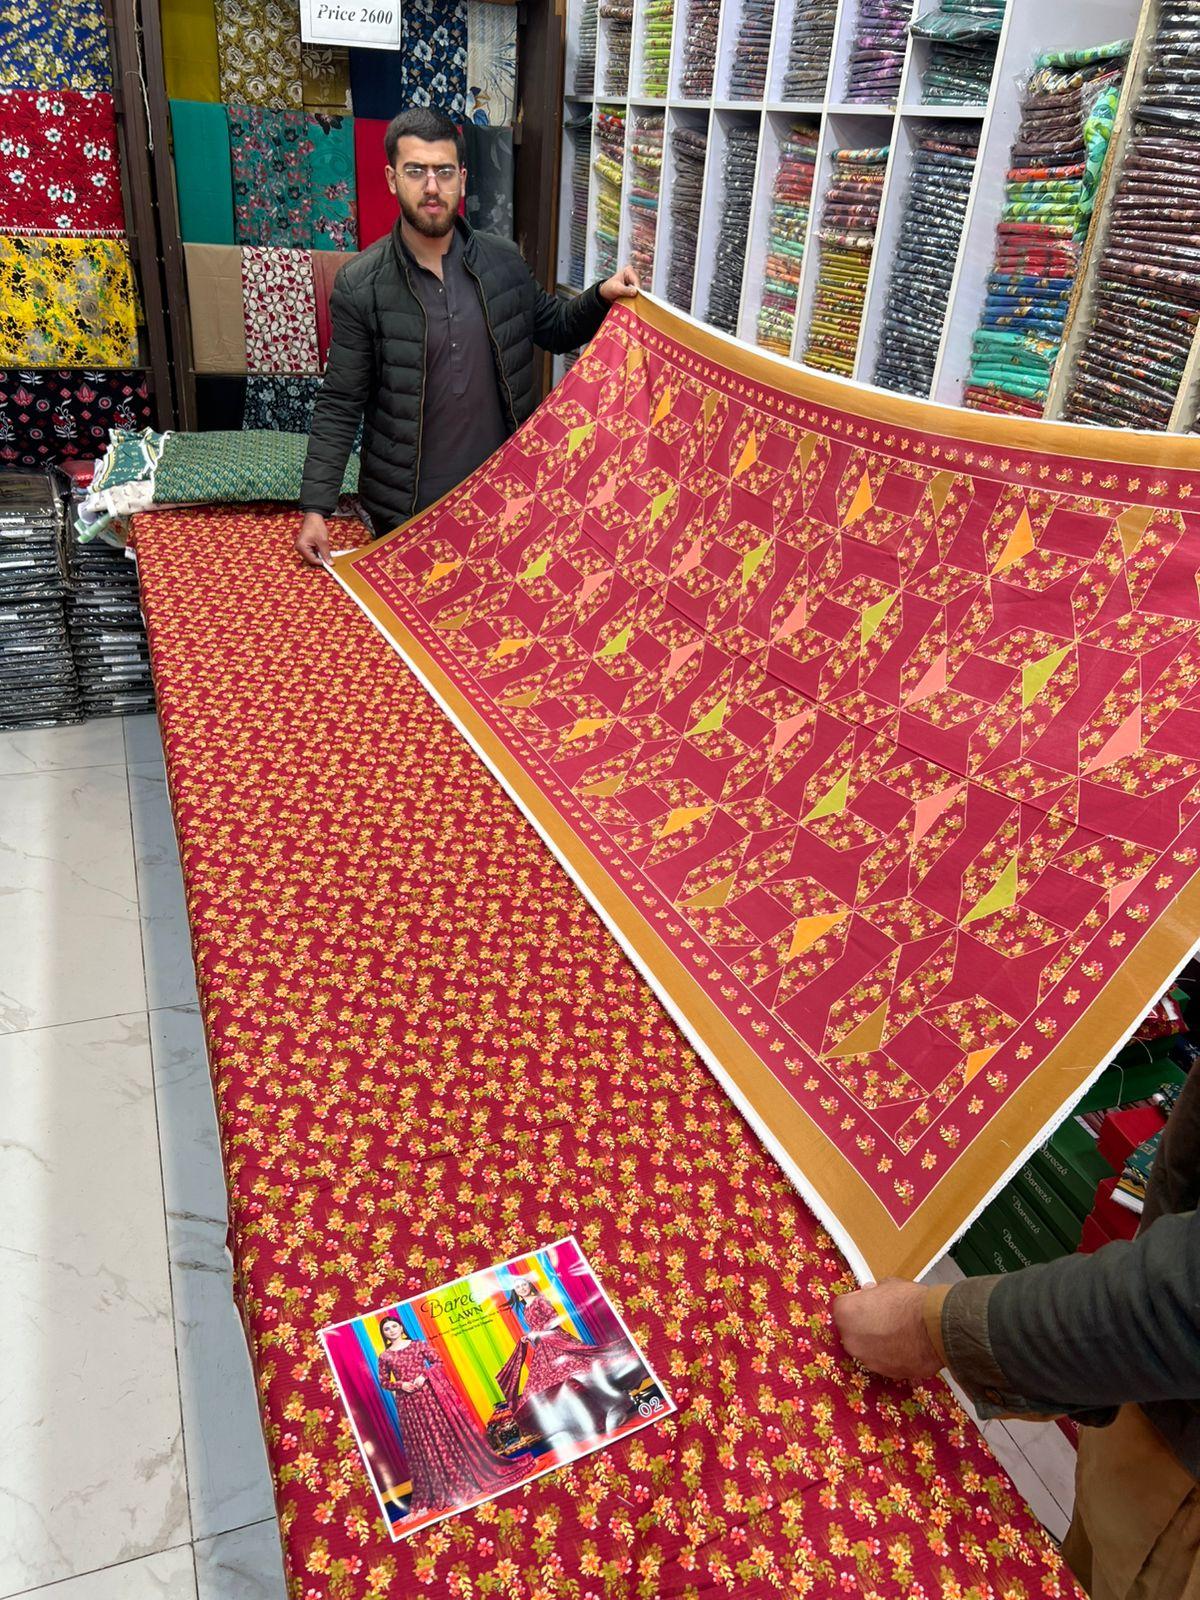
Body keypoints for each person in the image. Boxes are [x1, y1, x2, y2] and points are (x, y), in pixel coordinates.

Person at [833, 1066, 1200, 1600]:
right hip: (1146, 1431)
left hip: (1181, 1513)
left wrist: (933, 1326)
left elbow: (1184, 1293)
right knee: (1090, 1554)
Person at [297, 106, 639, 565]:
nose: (431, 187)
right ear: (392, 179)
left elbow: (555, 327)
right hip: (405, 517)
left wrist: (600, 296)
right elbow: (341, 402)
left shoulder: (504, 262)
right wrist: (316, 509)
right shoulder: (362, 284)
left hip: (504, 502)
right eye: (415, 171)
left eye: (443, 171)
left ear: (461, 177)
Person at [375, 1314, 528, 1517]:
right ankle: (442, 1485)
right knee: (425, 1442)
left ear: (401, 1328)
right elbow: (384, 1382)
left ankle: (463, 1476)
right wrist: (401, 1384)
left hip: (431, 1396)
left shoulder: (418, 1345)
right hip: (409, 1405)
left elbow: (437, 1362)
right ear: (384, 1334)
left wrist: (424, 1376)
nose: (391, 1331)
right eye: (387, 1329)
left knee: (444, 1434)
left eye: (394, 1326)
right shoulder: (385, 1357)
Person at [494, 1276, 644, 1437]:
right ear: (515, 1292)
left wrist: (537, 1333)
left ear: (530, 1286)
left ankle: (616, 1405)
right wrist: (530, 1336)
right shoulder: (526, 1308)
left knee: (581, 1375)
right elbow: (536, 1328)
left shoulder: (540, 1300)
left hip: (558, 1342)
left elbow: (554, 1320)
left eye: (524, 1284)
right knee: (559, 1388)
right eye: (518, 1287)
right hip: (544, 1349)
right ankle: (595, 1419)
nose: (522, 1288)